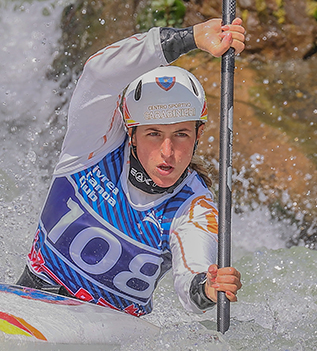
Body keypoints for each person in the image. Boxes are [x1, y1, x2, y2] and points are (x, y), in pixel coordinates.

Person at [17, 18, 245, 316]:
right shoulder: (93, 146)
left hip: (109, 342)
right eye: (154, 134)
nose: (168, 153)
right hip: (29, 298)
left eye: (181, 135)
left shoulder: (194, 207)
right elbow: (99, 74)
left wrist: (207, 287)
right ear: (132, 133)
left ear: (198, 135)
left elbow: (191, 280)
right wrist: (190, 38)